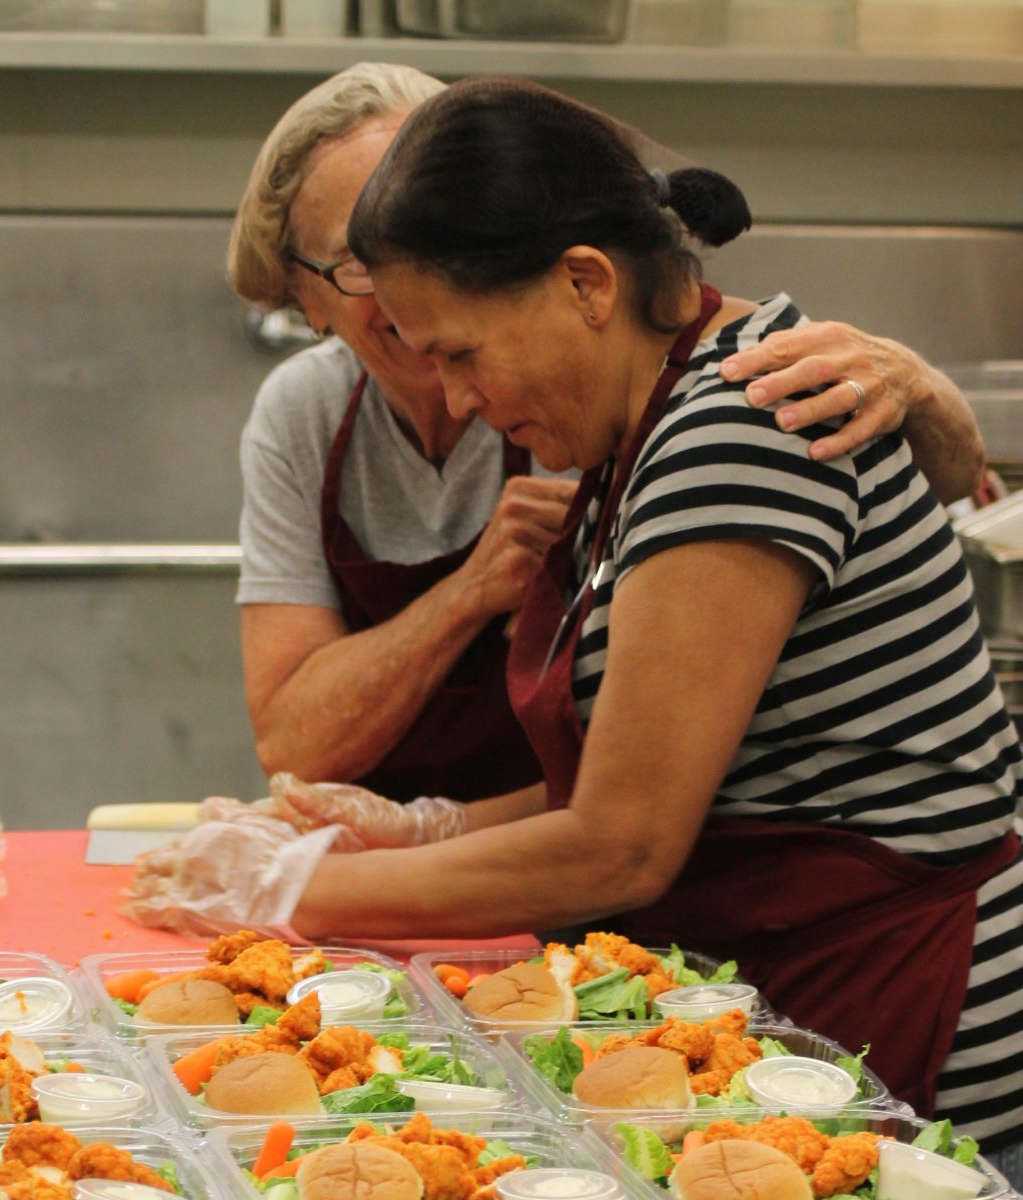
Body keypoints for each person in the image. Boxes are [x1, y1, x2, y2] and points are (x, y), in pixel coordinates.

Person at [197, 77, 1023, 1168]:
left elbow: (623, 843)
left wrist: (285, 891)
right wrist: (435, 826)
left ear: (585, 283)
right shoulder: (640, 433)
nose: (451, 400)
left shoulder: (735, 430)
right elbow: (682, 758)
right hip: (795, 1020)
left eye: (459, 352)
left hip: (917, 1037)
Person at [226, 63, 987, 807]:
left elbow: (625, 836)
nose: (408, 280)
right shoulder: (316, 410)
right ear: (301, 297)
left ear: (573, 277)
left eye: (426, 234)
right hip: (511, 877)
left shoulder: (704, 406)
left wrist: (918, 384)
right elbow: (295, 747)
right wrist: (466, 604)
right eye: (364, 260)